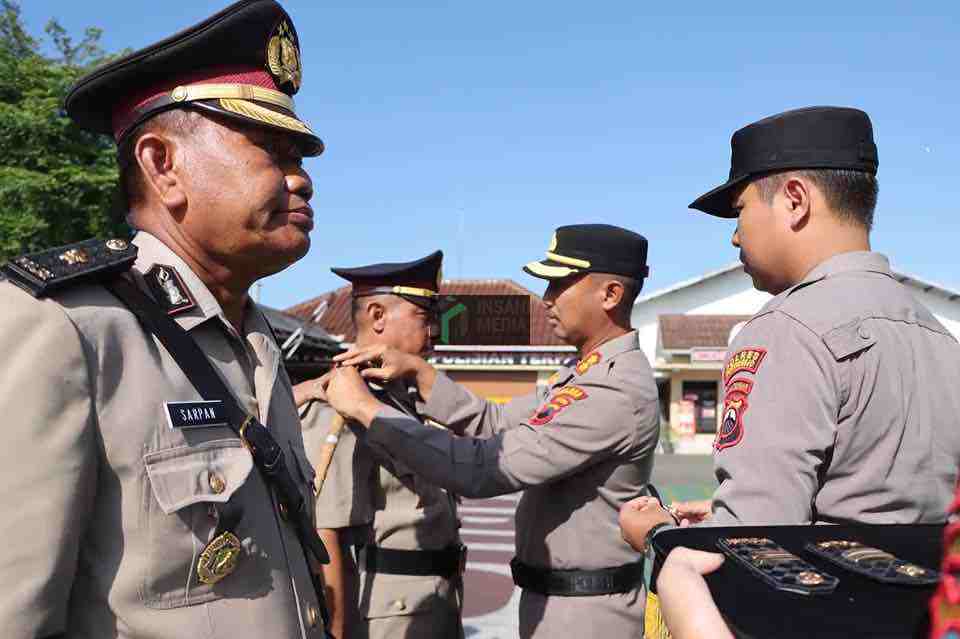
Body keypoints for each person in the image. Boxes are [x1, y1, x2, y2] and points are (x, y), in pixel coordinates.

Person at [0, 2, 330, 637]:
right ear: (162, 165)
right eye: (272, 150)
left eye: (304, 158)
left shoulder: (256, 343)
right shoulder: (70, 329)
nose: (302, 180)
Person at [619, 106, 960, 548]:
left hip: (820, 611)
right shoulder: (939, 336)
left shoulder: (784, 331)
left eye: (740, 211)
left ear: (795, 200)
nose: (735, 237)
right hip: (923, 611)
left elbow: (750, 544)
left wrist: (657, 535)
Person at [322, 224, 660, 639]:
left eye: (560, 283)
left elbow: (482, 468)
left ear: (610, 294)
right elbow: (495, 423)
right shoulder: (581, 375)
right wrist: (421, 374)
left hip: (585, 614)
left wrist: (365, 409)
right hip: (559, 603)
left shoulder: (612, 390)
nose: (548, 299)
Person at [294, 251, 465, 639]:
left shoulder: (401, 397)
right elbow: (327, 536)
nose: (435, 332)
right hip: (387, 616)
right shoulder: (339, 402)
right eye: (424, 318)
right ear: (377, 316)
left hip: (435, 601)